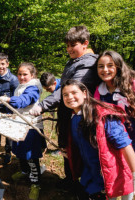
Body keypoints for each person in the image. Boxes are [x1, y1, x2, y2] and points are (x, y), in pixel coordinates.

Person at [61, 79, 135, 200]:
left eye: (74, 93)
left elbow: (124, 144)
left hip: (110, 175)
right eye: (65, 95)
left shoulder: (102, 116)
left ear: (84, 93)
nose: (70, 97)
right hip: (91, 175)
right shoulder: (74, 118)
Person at [30, 25, 99, 189]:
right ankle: (70, 180)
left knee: (80, 151)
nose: (69, 49)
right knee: (67, 148)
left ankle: (84, 185)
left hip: (81, 117)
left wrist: (43, 105)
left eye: (73, 45)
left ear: (85, 43)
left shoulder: (88, 64)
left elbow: (68, 90)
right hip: (68, 114)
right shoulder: (73, 62)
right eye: (67, 45)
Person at [94, 50, 135, 179]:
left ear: (118, 65)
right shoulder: (99, 91)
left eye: (110, 65)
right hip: (114, 142)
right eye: (101, 66)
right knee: (119, 177)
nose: (105, 70)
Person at [0, 62, 45, 200]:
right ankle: (24, 171)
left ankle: (36, 182)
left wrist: (9, 99)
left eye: (25, 74)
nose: (22, 77)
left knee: (31, 155)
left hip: (31, 126)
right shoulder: (20, 86)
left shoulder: (33, 87)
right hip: (19, 124)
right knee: (19, 151)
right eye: (19, 74)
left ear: (32, 75)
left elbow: (24, 101)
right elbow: (15, 107)